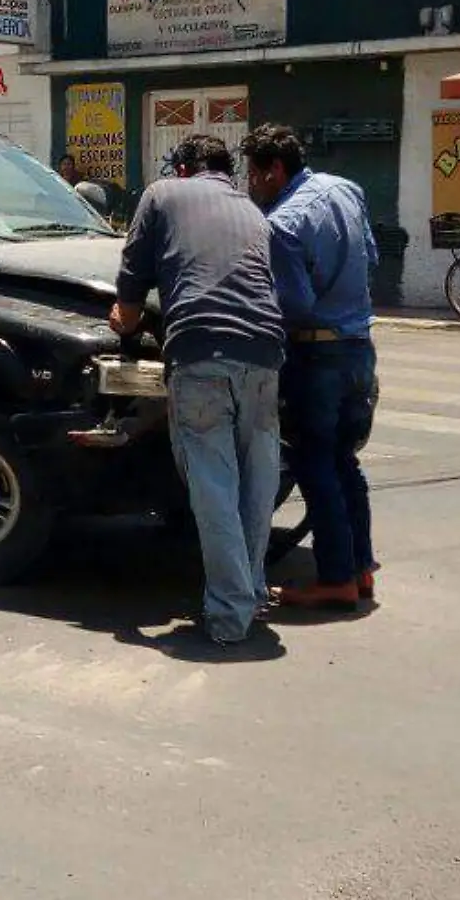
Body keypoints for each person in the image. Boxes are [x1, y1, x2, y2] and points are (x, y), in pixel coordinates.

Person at [110, 133, 288, 646]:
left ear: (183, 169)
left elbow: (130, 289)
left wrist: (123, 323)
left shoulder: (162, 194)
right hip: (264, 352)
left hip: (201, 351)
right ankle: (249, 593)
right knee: (256, 484)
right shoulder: (253, 211)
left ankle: (230, 614)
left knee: (213, 486)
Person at [239, 124, 380, 612]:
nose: (251, 186)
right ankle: (361, 569)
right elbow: (373, 257)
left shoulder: (282, 223)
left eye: (254, 176)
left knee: (314, 463)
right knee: (345, 461)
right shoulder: (347, 190)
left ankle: (336, 578)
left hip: (316, 353)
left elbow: (293, 306)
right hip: (360, 347)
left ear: (275, 170)